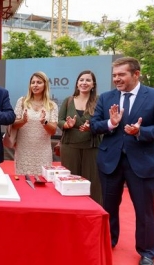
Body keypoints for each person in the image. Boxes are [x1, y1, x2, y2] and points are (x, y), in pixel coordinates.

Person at [91, 57, 154, 265]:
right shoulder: (106, 97)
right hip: (110, 160)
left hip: (143, 162)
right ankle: (108, 241)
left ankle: (148, 251)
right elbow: (94, 125)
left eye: (121, 75)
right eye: (114, 75)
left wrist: (140, 131)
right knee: (109, 206)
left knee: (144, 209)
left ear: (136, 74)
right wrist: (110, 123)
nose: (116, 79)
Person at [57, 70, 102, 205]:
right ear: (77, 83)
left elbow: (103, 122)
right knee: (70, 181)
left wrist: (92, 126)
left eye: (88, 80)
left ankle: (93, 210)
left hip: (92, 147)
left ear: (93, 84)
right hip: (70, 146)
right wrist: (66, 124)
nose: (84, 83)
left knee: (93, 181)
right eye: (81, 80)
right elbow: (59, 120)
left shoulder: (99, 101)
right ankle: (69, 209)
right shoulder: (68, 100)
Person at [11, 71, 58, 175]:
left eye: (39, 82)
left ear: (45, 85)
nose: (35, 85)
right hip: (24, 150)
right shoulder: (22, 101)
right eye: (33, 82)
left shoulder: (52, 105)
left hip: (43, 151)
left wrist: (44, 122)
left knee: (43, 184)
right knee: (23, 184)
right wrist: (23, 121)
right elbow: (13, 125)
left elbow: (53, 130)